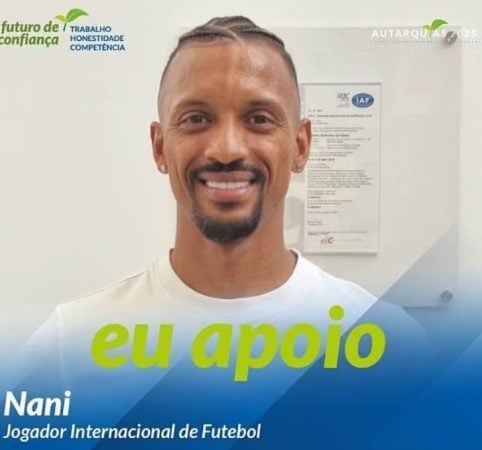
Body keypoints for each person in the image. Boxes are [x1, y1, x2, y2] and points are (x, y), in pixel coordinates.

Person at [11, 17, 432, 446]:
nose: (227, 149)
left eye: (259, 119)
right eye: (196, 119)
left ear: (300, 145)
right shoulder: (67, 348)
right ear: (160, 146)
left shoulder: (390, 347)